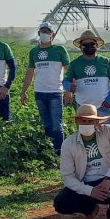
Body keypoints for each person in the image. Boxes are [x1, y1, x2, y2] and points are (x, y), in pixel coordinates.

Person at [53, 104, 110, 219]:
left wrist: (109, 178)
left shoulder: (108, 131)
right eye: (83, 120)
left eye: (90, 121)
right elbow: (67, 177)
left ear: (97, 121)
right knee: (61, 202)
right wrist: (90, 191)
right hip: (86, 186)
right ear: (77, 121)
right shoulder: (68, 144)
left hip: (108, 183)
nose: (86, 124)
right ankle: (89, 209)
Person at [20, 21, 71, 155]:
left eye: (47, 32)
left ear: (52, 35)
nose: (44, 34)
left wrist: (68, 90)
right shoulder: (34, 52)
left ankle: (60, 153)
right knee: (47, 124)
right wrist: (24, 91)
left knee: (56, 125)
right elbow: (30, 72)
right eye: (42, 31)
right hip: (39, 92)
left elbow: (68, 71)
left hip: (55, 92)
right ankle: (50, 152)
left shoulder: (60, 50)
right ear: (38, 34)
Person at [63, 30, 110, 125]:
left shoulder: (106, 62)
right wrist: (69, 87)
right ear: (81, 47)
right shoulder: (74, 64)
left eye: (92, 44)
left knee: (108, 134)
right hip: (83, 108)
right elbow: (66, 81)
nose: (89, 46)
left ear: (97, 45)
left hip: (103, 107)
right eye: (85, 44)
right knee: (86, 134)